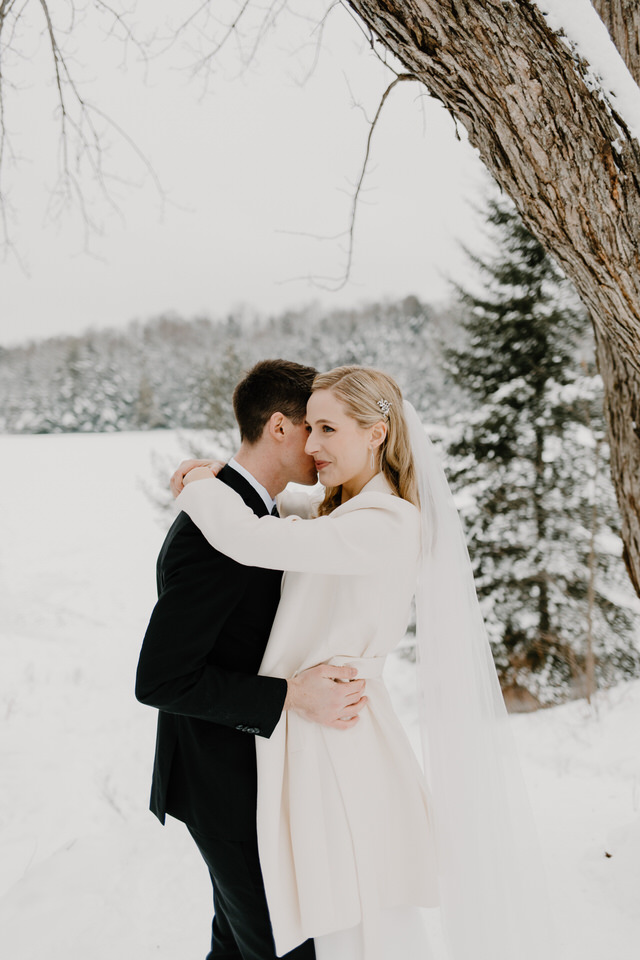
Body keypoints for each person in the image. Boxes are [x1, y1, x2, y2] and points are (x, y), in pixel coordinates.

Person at [173, 365, 552, 960]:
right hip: (306, 729)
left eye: (327, 428)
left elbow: (255, 539)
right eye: (307, 427)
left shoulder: (388, 524)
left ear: (376, 433)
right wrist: (226, 475)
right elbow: (292, 509)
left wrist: (200, 484)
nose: (312, 444)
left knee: (332, 928)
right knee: (268, 927)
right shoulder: (346, 514)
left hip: (335, 738)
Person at [136, 359, 371, 960]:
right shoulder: (215, 531)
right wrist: (292, 696)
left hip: (247, 777)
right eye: (313, 428)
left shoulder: (241, 512)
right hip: (222, 782)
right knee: (280, 948)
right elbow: (162, 678)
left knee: (241, 947)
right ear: (279, 428)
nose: (319, 446)